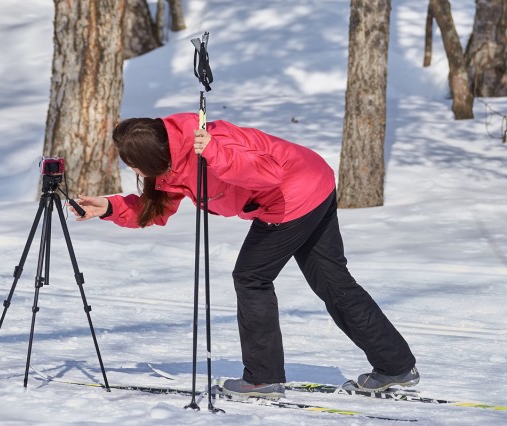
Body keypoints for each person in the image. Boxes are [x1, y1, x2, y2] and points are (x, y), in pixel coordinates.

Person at [70, 112, 419, 399]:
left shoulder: (209, 141)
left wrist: (214, 154)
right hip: (312, 184)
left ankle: (262, 379)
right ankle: (396, 366)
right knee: (333, 282)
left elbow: (267, 173)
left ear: (151, 157)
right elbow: (155, 211)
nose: (133, 171)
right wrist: (107, 208)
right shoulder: (171, 162)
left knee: (251, 277)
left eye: (133, 165)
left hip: (292, 195)